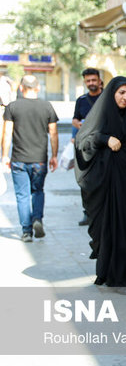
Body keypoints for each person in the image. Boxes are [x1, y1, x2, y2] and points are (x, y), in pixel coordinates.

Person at [74, 77, 126, 295]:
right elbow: (83, 142)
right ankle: (104, 272)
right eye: (121, 93)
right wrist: (105, 138)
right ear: (112, 94)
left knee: (125, 234)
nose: (125, 97)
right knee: (105, 231)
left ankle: (120, 279)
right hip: (104, 188)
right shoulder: (100, 116)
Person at [1, 76, 58, 242]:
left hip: (18, 159)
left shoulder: (12, 107)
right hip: (39, 159)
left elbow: (7, 133)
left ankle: (26, 231)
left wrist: (5, 156)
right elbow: (53, 133)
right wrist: (54, 156)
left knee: (22, 195)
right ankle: (37, 219)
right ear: (38, 88)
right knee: (38, 191)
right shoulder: (47, 106)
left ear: (21, 88)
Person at [74, 68, 104, 226]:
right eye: (88, 81)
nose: (91, 83)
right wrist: (79, 126)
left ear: (99, 80)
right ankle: (87, 212)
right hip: (86, 148)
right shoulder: (81, 100)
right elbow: (75, 119)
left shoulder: (107, 98)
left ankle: (103, 211)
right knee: (85, 181)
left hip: (104, 147)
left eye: (94, 80)